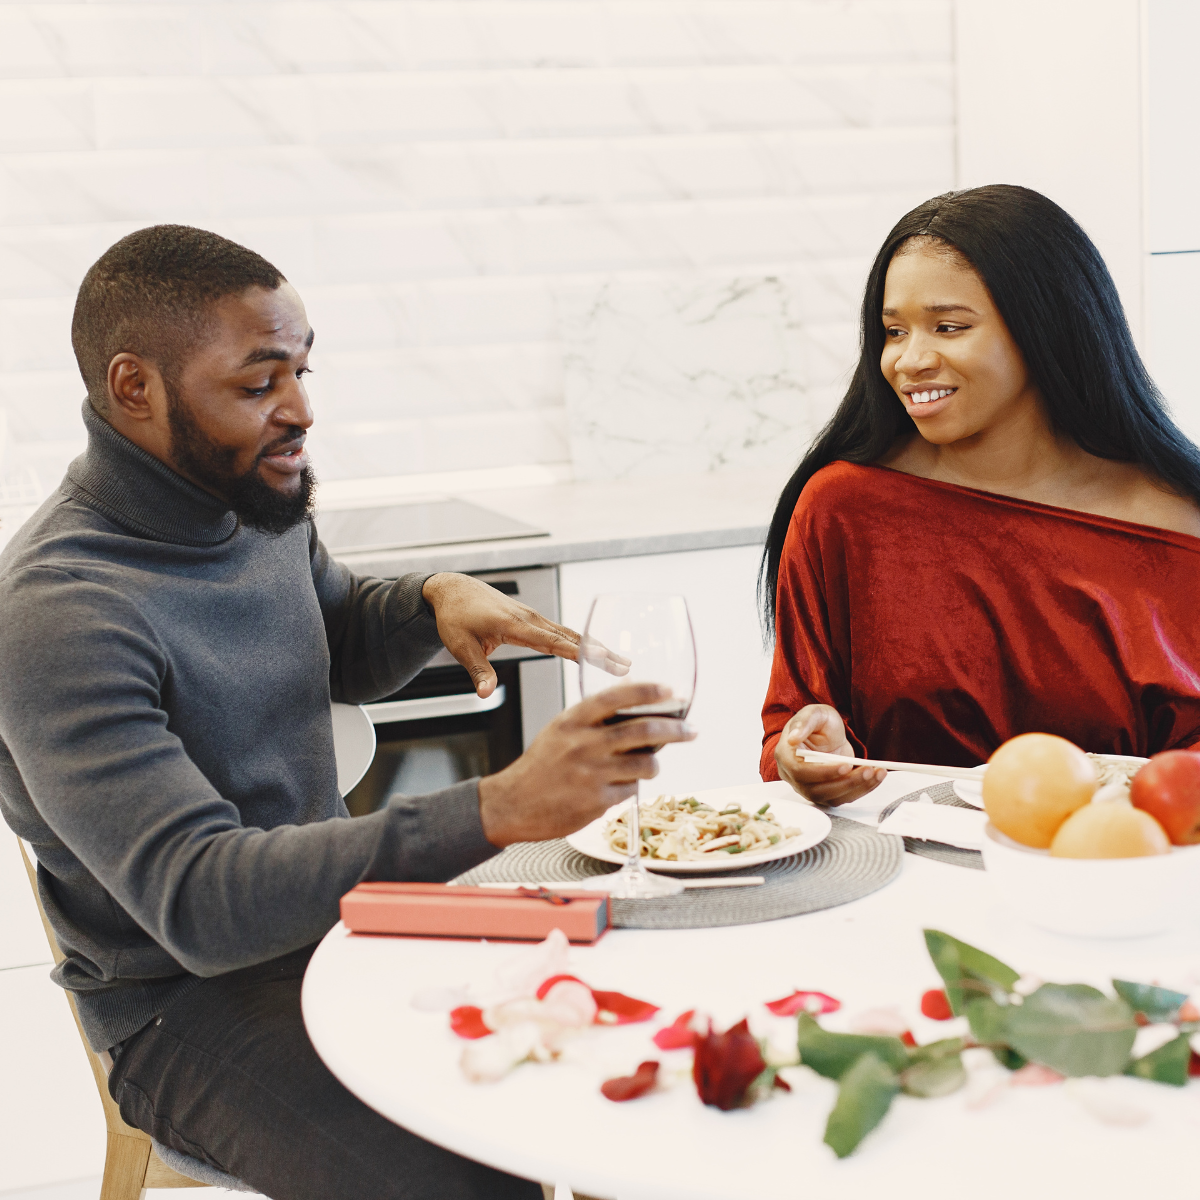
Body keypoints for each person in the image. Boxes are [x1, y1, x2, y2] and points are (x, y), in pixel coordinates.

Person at [0, 225, 693, 1200]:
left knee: (645, 1065)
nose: (301, 411)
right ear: (134, 388)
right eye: (258, 383)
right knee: (461, 1177)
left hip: (345, 931)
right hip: (184, 1009)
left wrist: (431, 599)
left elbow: (332, 634)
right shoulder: (59, 614)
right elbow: (201, 904)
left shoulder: (246, 496)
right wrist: (495, 809)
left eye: (301, 371)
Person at [759, 184, 1200, 807]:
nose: (909, 360)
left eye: (948, 327)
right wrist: (806, 751)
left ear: (1045, 326)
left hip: (1124, 868)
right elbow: (793, 728)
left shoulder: (1180, 522)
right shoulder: (844, 508)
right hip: (903, 879)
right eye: (892, 331)